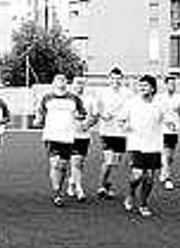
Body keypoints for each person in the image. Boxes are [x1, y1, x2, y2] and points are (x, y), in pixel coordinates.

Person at [35, 74, 86, 207]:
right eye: (58, 79)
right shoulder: (47, 98)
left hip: (68, 136)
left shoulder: (74, 98)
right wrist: (38, 120)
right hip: (51, 135)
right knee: (55, 164)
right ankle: (57, 193)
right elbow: (40, 112)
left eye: (63, 79)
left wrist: (79, 116)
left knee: (63, 166)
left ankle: (60, 188)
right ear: (53, 83)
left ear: (66, 83)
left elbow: (82, 113)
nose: (61, 81)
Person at [121, 75, 165, 217]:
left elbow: (168, 119)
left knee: (150, 177)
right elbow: (121, 120)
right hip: (136, 144)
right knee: (138, 175)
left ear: (152, 88)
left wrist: (171, 124)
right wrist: (125, 125)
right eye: (140, 86)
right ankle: (130, 193)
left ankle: (144, 204)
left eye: (145, 86)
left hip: (154, 145)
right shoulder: (131, 103)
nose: (142, 88)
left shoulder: (159, 104)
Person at [95, 66, 132, 199]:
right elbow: (97, 108)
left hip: (121, 133)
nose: (115, 81)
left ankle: (107, 184)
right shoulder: (103, 93)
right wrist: (103, 115)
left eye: (118, 79)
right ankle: (101, 185)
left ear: (121, 79)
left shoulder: (128, 93)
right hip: (107, 131)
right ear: (109, 79)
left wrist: (128, 122)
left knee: (115, 162)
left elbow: (131, 109)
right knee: (109, 161)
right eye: (113, 78)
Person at [67, 76, 97, 202]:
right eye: (77, 83)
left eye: (82, 84)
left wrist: (87, 125)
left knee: (80, 163)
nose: (79, 86)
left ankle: (71, 182)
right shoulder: (67, 99)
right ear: (72, 84)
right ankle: (79, 189)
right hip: (69, 135)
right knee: (76, 162)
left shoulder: (90, 99)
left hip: (84, 136)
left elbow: (95, 116)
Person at [156, 75, 180, 190]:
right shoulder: (159, 98)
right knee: (166, 154)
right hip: (162, 129)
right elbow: (157, 114)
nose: (172, 86)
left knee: (170, 157)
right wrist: (165, 122)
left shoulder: (179, 98)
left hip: (174, 130)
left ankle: (163, 173)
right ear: (166, 85)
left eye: (174, 84)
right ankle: (168, 178)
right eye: (170, 84)